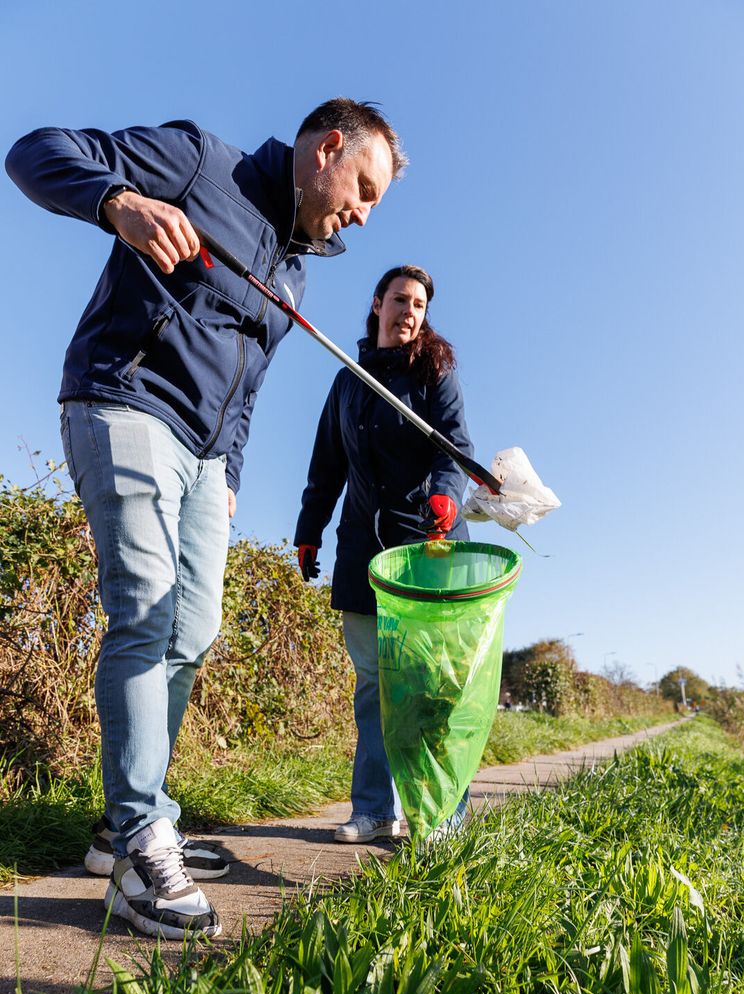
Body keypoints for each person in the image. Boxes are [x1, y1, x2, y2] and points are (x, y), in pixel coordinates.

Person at [5, 99, 406, 939]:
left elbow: (246, 387)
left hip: (206, 457)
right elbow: (34, 152)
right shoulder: (199, 163)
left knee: (193, 628)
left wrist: (231, 472)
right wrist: (117, 202)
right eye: (364, 189)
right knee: (146, 607)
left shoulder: (295, 272)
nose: (364, 215)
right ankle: (141, 841)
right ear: (329, 148)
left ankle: (125, 821)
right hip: (125, 400)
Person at [294, 265, 473, 844]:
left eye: (419, 304)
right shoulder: (348, 381)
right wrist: (310, 530)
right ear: (377, 304)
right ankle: (372, 809)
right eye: (401, 299)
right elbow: (326, 465)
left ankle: (440, 815)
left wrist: (446, 495)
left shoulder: (436, 373)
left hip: (427, 547)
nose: (410, 312)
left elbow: (455, 447)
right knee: (372, 684)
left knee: (430, 685)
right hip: (362, 552)